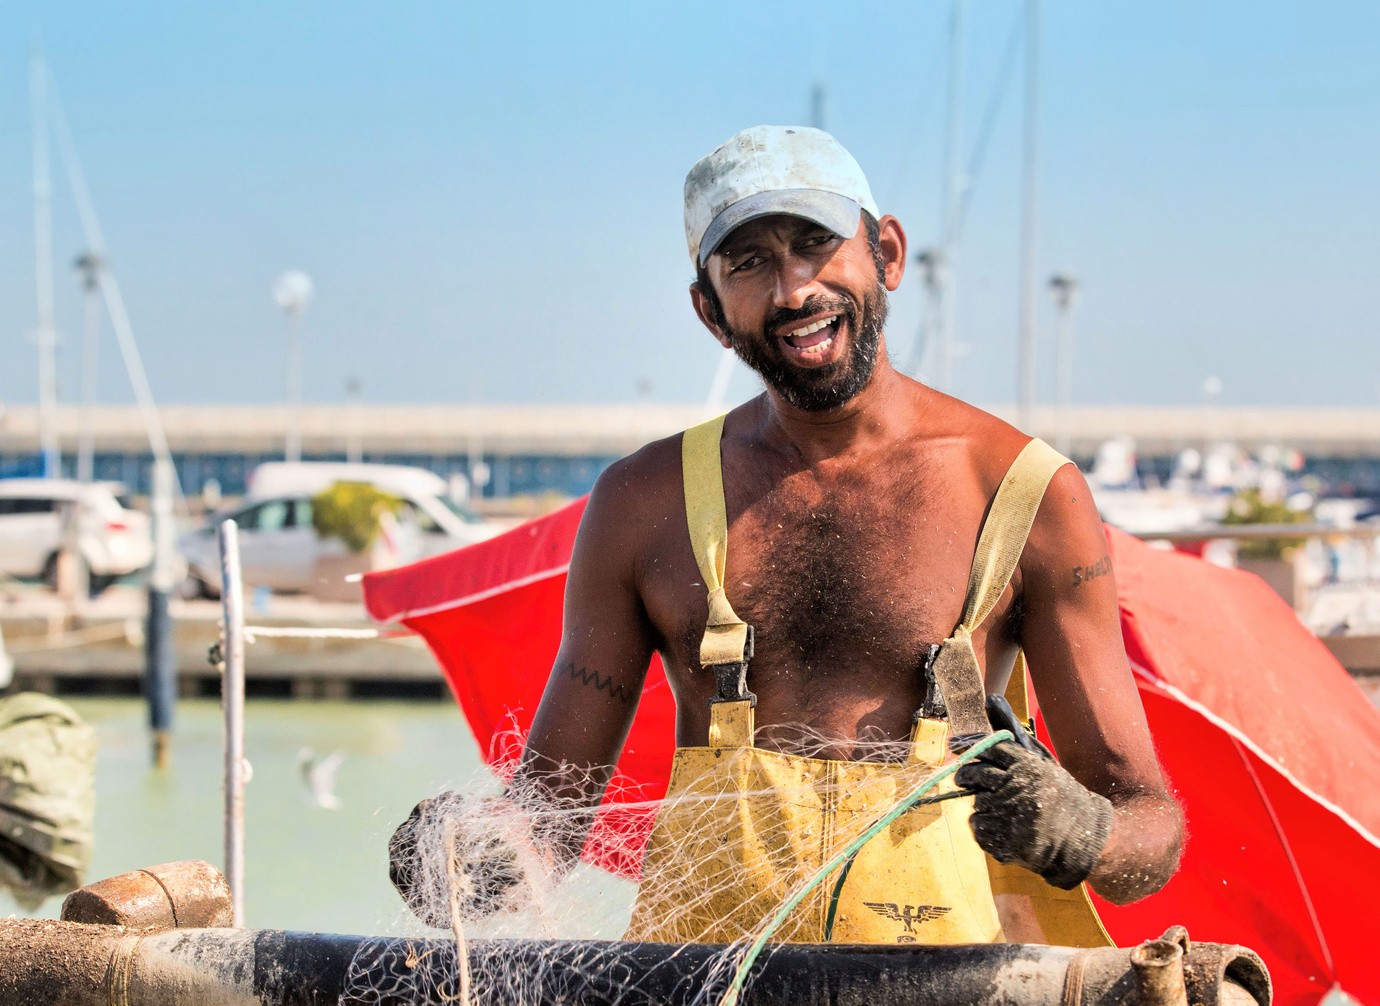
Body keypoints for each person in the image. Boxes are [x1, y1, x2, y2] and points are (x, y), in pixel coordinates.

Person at [391, 126, 1183, 953]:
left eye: (815, 245)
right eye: (748, 264)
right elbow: (546, 822)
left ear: (887, 254)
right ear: (708, 310)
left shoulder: (1024, 494)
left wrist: (1078, 829)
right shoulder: (642, 503)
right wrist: (472, 859)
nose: (794, 289)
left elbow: (1148, 837)